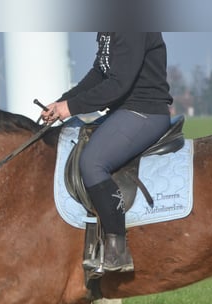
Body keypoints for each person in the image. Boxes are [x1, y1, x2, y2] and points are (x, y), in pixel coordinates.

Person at [41, 33, 173, 273]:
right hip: (123, 111)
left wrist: (70, 108)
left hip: (145, 112)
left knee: (92, 163)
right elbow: (99, 73)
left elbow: (118, 84)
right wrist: (60, 104)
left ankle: (117, 250)